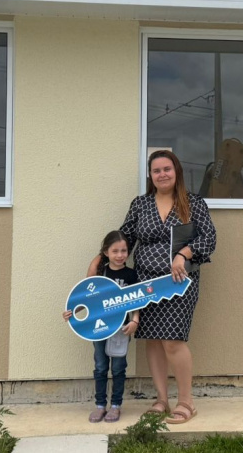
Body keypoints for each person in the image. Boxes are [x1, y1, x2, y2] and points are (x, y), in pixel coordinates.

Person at [91, 149, 216, 424]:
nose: (162, 174)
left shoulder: (193, 203)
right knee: (154, 341)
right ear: (150, 175)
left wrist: (183, 254)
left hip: (179, 283)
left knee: (173, 339)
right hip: (145, 284)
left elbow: (209, 238)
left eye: (167, 169)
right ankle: (161, 399)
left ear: (176, 171)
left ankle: (186, 402)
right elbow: (125, 237)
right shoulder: (141, 204)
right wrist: (100, 261)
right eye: (156, 170)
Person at [64, 230, 140, 423]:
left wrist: (135, 321)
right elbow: (85, 298)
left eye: (124, 250)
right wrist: (72, 312)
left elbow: (136, 302)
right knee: (100, 367)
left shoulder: (131, 274)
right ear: (106, 252)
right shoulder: (100, 273)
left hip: (121, 329)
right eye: (115, 251)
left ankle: (115, 406)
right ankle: (100, 406)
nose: (120, 255)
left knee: (118, 368)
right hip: (98, 329)